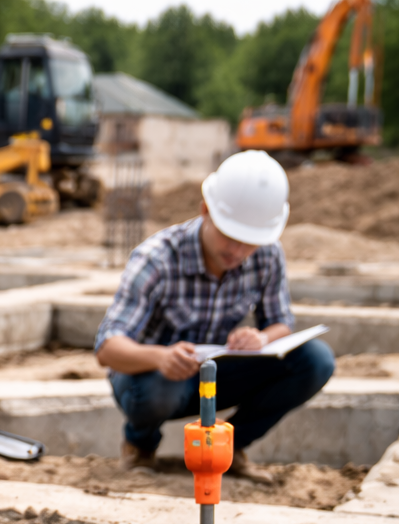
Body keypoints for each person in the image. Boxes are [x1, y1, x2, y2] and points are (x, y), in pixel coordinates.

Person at [95, 149, 335, 483]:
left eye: (248, 242)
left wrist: (261, 338)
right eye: (229, 236)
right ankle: (140, 446)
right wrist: (161, 357)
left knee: (315, 360)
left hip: (212, 369)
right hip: (149, 377)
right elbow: (107, 348)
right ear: (205, 210)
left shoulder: (266, 254)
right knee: (159, 390)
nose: (237, 252)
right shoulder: (157, 258)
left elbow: (281, 323)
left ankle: (229, 449)